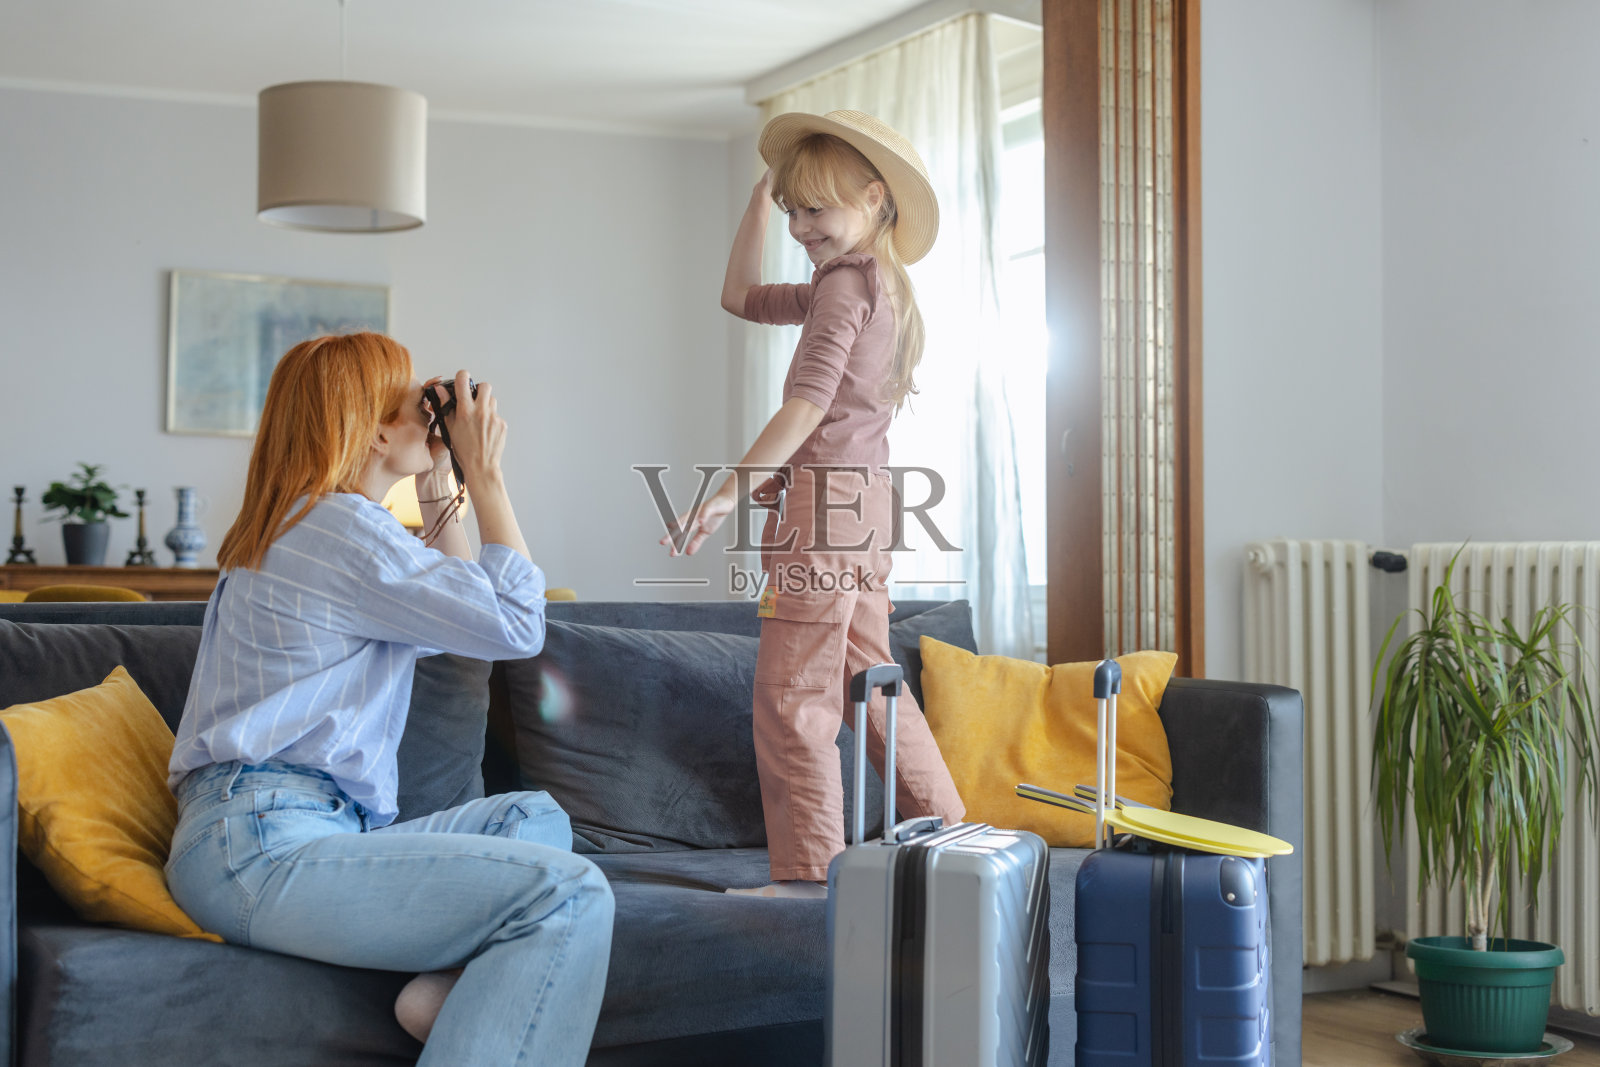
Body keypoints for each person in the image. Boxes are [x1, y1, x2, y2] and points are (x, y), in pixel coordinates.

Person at [164, 333, 612, 1063]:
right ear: (373, 430)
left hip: (279, 831)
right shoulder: (341, 528)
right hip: (264, 842)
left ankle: (451, 991)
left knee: (531, 815)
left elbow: (470, 624)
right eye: (414, 401)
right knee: (569, 891)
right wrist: (486, 474)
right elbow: (514, 623)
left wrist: (441, 483)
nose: (430, 415)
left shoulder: (308, 525)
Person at [661, 110, 966, 898]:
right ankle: (960, 842)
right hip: (866, 510)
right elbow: (739, 295)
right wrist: (759, 200)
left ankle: (806, 885)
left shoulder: (842, 287)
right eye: (791, 210)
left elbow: (805, 405)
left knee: (792, 697)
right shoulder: (872, 283)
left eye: (815, 209)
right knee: (873, 684)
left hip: (824, 513)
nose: (801, 228)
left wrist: (724, 494)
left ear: (874, 197)